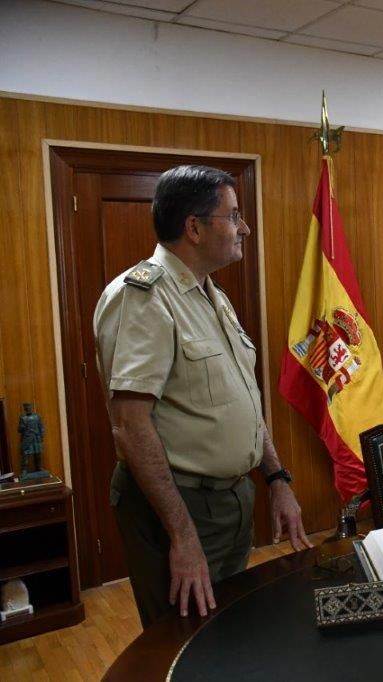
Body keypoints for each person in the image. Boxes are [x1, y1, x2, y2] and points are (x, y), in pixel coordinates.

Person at [94, 165, 312, 628]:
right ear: (193, 227)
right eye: (233, 216)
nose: (244, 228)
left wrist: (276, 478)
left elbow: (243, 402)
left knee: (227, 633)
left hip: (231, 501)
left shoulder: (213, 297)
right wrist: (182, 534)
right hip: (181, 507)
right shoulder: (144, 297)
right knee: (184, 640)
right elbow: (130, 426)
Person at [18, 402, 44, 476]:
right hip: (27, 438)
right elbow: (19, 429)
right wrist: (22, 427)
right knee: (25, 454)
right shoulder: (23, 418)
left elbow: (41, 427)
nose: (28, 409)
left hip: (36, 438)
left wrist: (41, 435)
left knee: (38, 453)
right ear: (25, 409)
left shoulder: (37, 417)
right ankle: (24, 470)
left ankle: (38, 467)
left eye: (29, 407)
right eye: (26, 408)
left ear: (31, 407)